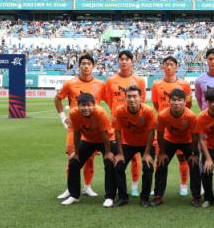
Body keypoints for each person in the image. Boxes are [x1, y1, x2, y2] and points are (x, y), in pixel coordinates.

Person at [54, 53, 104, 200]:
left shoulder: (100, 84)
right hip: (75, 127)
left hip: (93, 128)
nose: (86, 66)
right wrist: (63, 117)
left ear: (93, 66)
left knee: (90, 159)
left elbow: (111, 100)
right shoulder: (70, 84)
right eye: (83, 63)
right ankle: (70, 188)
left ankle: (87, 187)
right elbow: (57, 98)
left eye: (89, 64)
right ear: (79, 66)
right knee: (72, 158)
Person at [61, 93, 118, 207]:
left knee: (109, 163)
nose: (86, 108)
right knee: (74, 162)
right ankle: (74, 195)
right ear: (78, 105)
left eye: (89, 105)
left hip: (106, 139)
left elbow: (104, 134)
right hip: (88, 139)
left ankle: (109, 197)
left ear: (94, 105)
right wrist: (76, 153)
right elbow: (77, 133)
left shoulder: (100, 112)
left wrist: (108, 152)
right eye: (83, 105)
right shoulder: (74, 113)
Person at [103, 50, 147, 197]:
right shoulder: (111, 80)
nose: (124, 61)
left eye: (127, 59)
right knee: (118, 155)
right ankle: (118, 188)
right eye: (121, 59)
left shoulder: (139, 80)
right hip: (117, 123)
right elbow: (109, 100)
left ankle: (134, 185)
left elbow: (141, 100)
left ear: (132, 61)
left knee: (135, 157)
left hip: (134, 124)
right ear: (118, 61)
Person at [151, 56, 192, 197]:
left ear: (176, 67)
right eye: (166, 64)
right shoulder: (156, 84)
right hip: (164, 126)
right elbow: (156, 104)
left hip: (181, 127)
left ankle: (184, 185)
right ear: (162, 66)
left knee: (182, 158)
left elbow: (188, 104)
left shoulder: (184, 84)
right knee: (160, 158)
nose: (169, 67)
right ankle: (157, 188)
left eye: (172, 64)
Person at [152, 89, 201, 207]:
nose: (176, 103)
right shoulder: (163, 115)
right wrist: (162, 152)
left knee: (194, 165)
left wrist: (194, 153)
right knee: (161, 164)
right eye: (173, 100)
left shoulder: (191, 116)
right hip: (170, 141)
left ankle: (196, 197)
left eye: (179, 100)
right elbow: (159, 134)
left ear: (185, 102)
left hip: (188, 142)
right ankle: (158, 196)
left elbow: (195, 136)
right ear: (169, 101)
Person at [113, 85, 157, 207]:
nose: (132, 99)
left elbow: (151, 132)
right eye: (129, 96)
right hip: (128, 143)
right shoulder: (119, 111)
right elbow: (117, 132)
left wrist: (147, 153)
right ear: (125, 98)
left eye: (134, 96)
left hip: (146, 144)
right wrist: (120, 153)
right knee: (118, 165)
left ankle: (144, 198)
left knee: (148, 167)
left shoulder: (148, 111)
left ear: (140, 97)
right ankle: (122, 197)